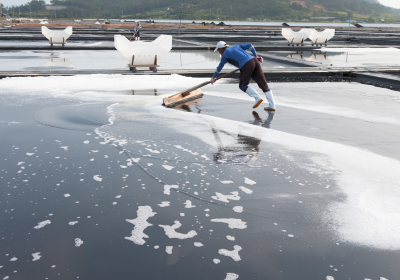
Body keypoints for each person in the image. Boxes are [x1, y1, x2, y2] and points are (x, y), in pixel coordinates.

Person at [210, 41, 276, 111]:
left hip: (247, 65)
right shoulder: (236, 46)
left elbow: (219, 68)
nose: (218, 52)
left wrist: (214, 77)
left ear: (220, 49)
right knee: (264, 85)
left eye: (218, 50)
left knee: (243, 85)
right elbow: (250, 45)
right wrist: (256, 56)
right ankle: (272, 106)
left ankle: (257, 98)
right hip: (255, 60)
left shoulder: (224, 55)